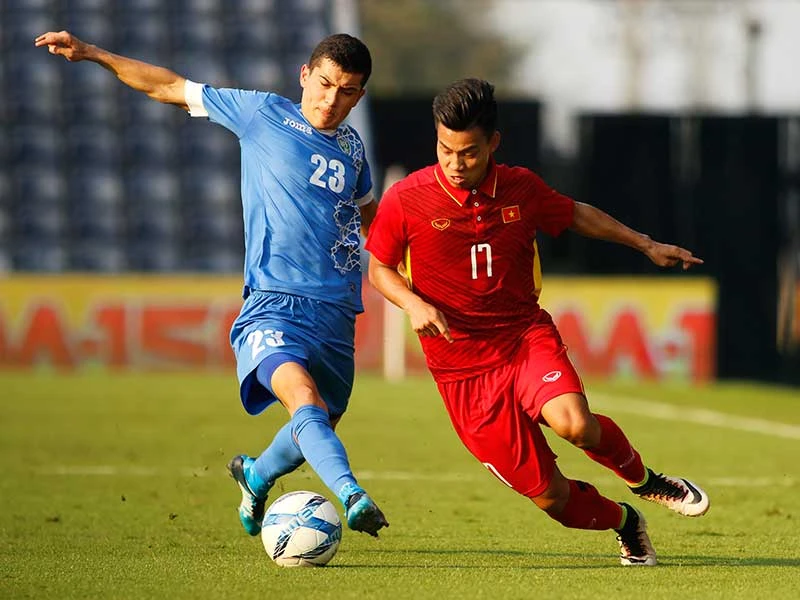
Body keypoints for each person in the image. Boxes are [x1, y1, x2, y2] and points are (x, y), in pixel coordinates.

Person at [35, 30, 389, 538]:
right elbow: (169, 86)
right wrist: (92, 53)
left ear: (360, 95)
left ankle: (255, 475)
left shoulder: (353, 148)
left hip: (336, 312)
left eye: (347, 91)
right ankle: (352, 495)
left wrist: (410, 268)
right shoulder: (262, 114)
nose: (332, 100)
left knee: (316, 424)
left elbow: (371, 219)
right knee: (305, 403)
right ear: (304, 75)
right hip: (274, 305)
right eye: (325, 84)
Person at [365, 78, 709, 565]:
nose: (455, 164)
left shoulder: (521, 188)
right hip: (461, 370)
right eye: (445, 150)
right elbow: (379, 268)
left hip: (523, 337)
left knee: (575, 424)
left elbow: (575, 215)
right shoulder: (407, 198)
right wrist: (412, 304)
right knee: (552, 498)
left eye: (468, 152)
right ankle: (625, 521)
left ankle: (647, 480)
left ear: (493, 143)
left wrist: (646, 244)